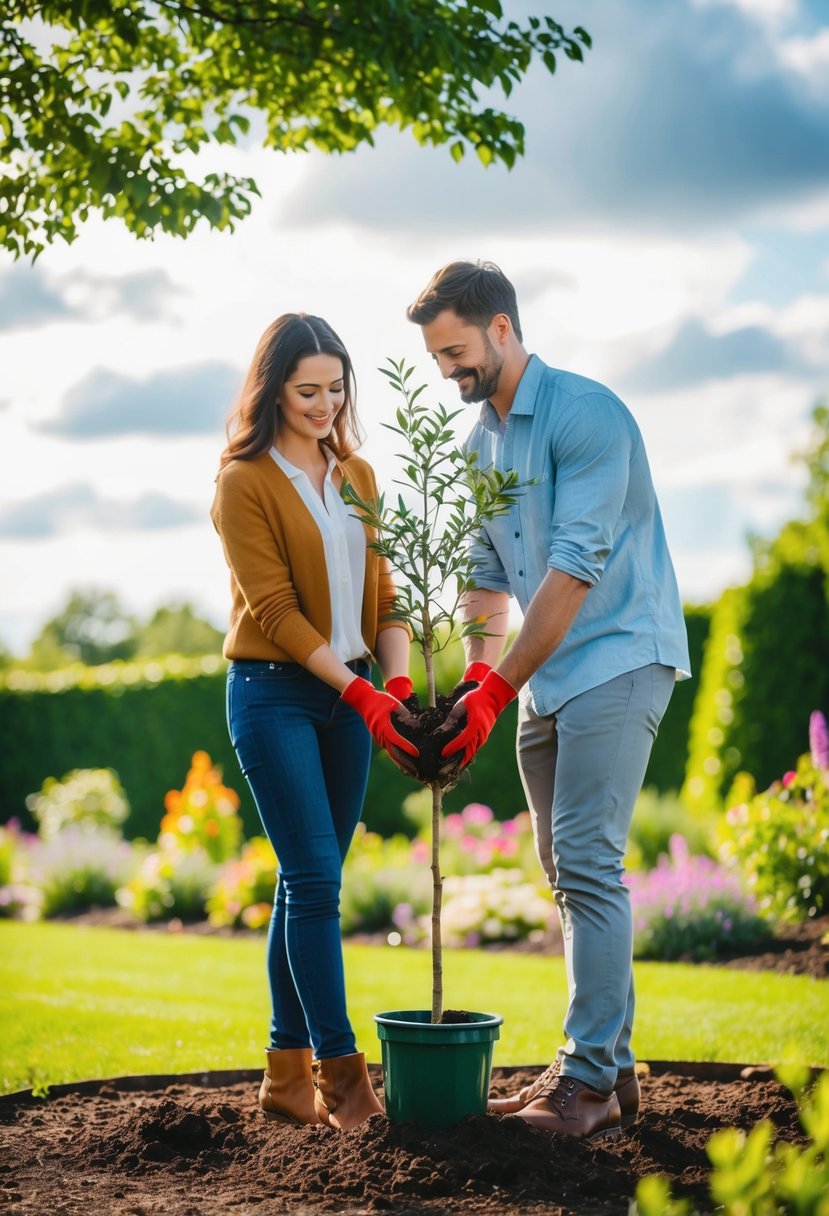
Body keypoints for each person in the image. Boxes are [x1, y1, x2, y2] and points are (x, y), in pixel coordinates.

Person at [407, 262, 690, 1141]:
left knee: (586, 861)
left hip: (619, 655)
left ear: (500, 328)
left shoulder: (585, 415)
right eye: (434, 358)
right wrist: (467, 684)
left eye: (455, 352)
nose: (446, 372)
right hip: (548, 679)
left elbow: (571, 573)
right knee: (565, 872)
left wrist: (497, 689)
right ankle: (612, 1068)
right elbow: (487, 583)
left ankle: (586, 1082)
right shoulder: (474, 446)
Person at [211, 313, 417, 1131]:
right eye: (307, 390)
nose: (324, 404)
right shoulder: (243, 481)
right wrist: (358, 692)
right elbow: (278, 613)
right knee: (316, 884)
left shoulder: (358, 476)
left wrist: (392, 687)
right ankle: (344, 1081)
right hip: (272, 693)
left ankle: (285, 1079)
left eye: (336, 388)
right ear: (272, 390)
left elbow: (387, 598)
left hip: (352, 697)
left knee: (305, 883)